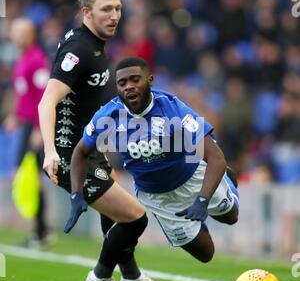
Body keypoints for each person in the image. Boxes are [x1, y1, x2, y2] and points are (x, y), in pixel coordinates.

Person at [38, 0, 174, 281]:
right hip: (71, 155)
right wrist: (49, 152)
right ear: (87, 12)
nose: (114, 16)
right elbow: (47, 102)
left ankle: (132, 278)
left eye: (118, 9)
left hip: (89, 149)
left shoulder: (94, 44)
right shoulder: (80, 50)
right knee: (135, 217)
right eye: (106, 10)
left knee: (115, 213)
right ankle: (99, 278)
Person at [69, 57, 239, 266]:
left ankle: (226, 179)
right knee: (206, 254)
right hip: (158, 197)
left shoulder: (173, 108)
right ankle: (193, 220)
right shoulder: (107, 116)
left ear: (149, 80)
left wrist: (202, 200)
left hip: (193, 176)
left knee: (230, 217)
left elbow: (216, 157)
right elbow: (79, 152)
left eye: (135, 80)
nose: (129, 86)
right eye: (122, 83)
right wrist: (77, 194)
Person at [4, 18, 52, 247]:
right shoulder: (21, 60)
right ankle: (40, 231)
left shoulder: (36, 60)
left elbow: (44, 95)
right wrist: (14, 115)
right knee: (28, 177)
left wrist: (37, 128)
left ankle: (41, 232)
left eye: (23, 32)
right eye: (16, 32)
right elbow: (23, 93)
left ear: (31, 35)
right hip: (24, 124)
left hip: (34, 126)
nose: (19, 36)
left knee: (30, 177)